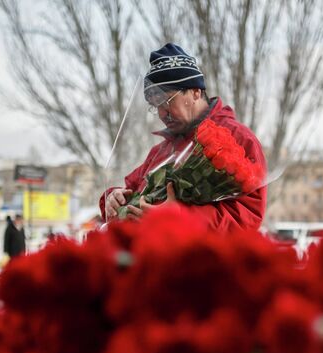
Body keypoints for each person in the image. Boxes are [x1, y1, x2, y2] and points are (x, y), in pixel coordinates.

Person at [100, 43, 267, 231]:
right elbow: (132, 189)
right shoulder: (160, 151)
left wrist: (181, 216)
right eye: (155, 105)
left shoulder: (238, 138)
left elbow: (247, 216)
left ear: (196, 92)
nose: (162, 113)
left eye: (166, 101)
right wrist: (115, 198)